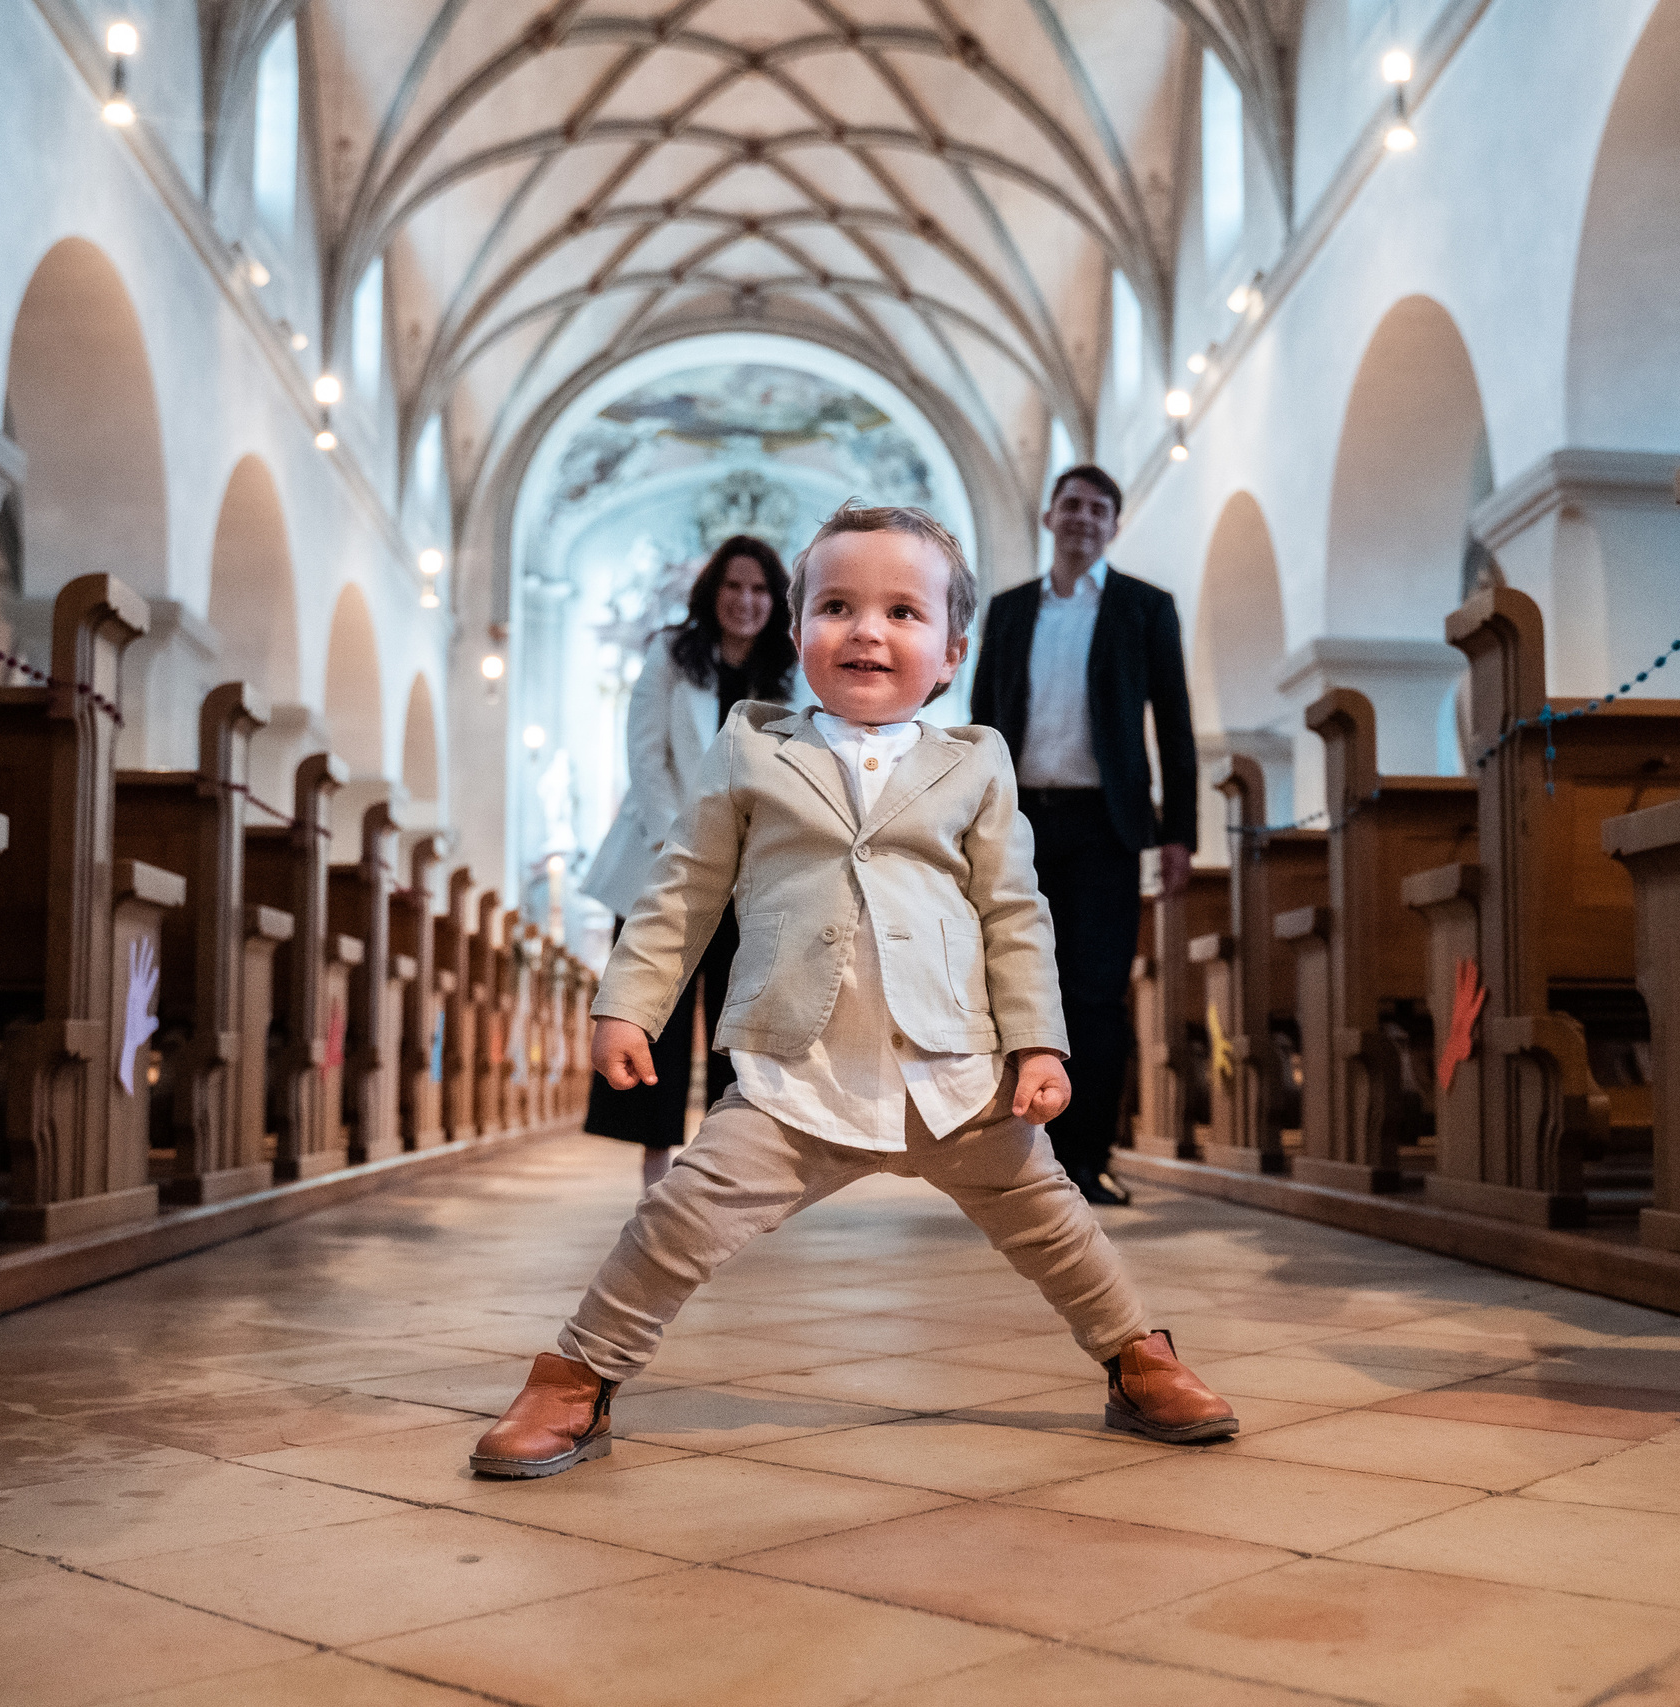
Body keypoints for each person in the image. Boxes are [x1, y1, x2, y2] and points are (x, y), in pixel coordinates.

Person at [468, 500, 1236, 1479]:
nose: (867, 630)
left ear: (951, 651)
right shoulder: (754, 746)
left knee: (1055, 1222)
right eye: (836, 606)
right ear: (797, 634)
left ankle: (1136, 1355)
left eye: (902, 612)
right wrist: (629, 1004)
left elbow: (1014, 912)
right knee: (676, 1219)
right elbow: (685, 887)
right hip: (797, 1073)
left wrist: (1038, 1041)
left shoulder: (975, 762)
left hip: (954, 1073)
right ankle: (577, 1371)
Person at [970, 464, 1197, 1205]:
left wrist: (1179, 832)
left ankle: (1087, 1159)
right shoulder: (1008, 610)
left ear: (1113, 526)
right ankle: (1012, 1159)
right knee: (1012, 986)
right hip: (1020, 822)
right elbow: (981, 722)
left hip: (1106, 825)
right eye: (1071, 504)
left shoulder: (1144, 607)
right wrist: (967, 817)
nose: (1083, 517)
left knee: (1095, 995)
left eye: (1098, 508)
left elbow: (1175, 721)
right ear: (1049, 516)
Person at [579, 537, 798, 1192]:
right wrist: (678, 843)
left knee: (739, 1018)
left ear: (776, 599)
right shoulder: (672, 652)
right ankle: (655, 1162)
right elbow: (645, 753)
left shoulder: (787, 669)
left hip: (750, 870)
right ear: (712, 591)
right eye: (734, 586)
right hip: (664, 857)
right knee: (656, 1013)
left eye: (759, 589)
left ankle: (724, 1162)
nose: (745, 600)